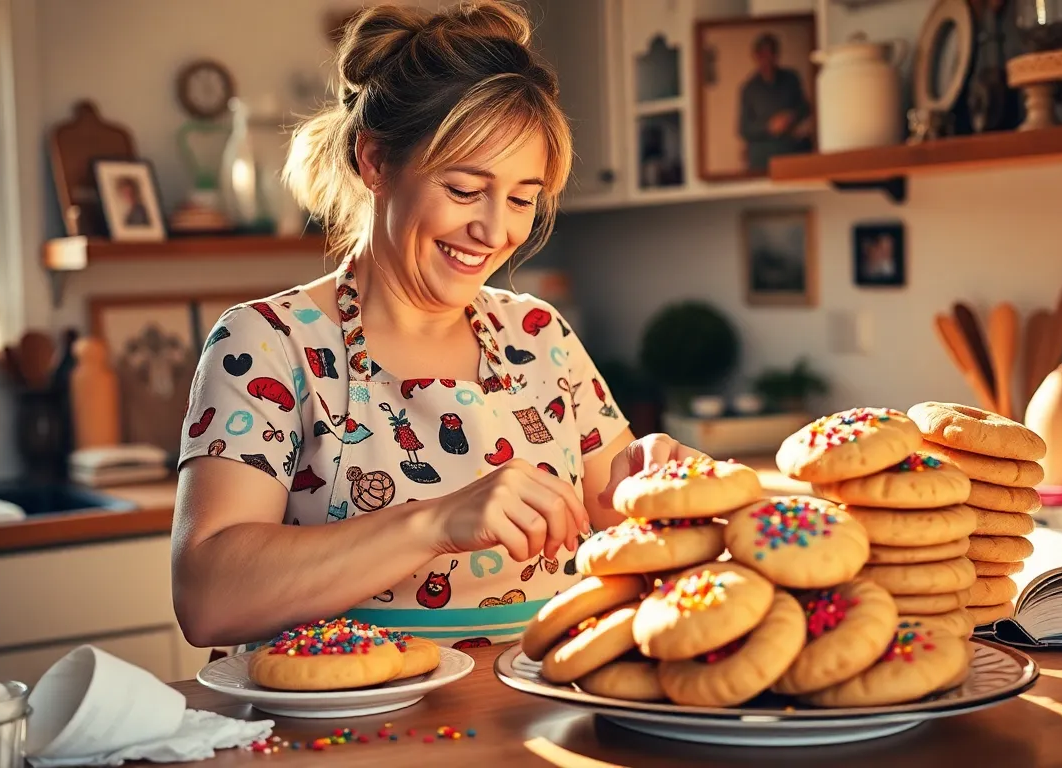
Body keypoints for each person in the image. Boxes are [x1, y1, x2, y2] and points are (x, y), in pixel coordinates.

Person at [170, 1, 705, 651]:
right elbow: (207, 598)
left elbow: (624, 531)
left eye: (520, 198)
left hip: (543, 721)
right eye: (462, 189)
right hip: (349, 740)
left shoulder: (539, 335)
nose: (493, 230)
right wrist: (437, 521)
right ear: (375, 162)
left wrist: (659, 487)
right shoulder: (267, 345)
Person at [737, 33, 813, 174]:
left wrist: (791, 116)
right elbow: (743, 128)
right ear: (756, 56)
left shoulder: (791, 78)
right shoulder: (748, 89)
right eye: (763, 54)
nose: (768, 59)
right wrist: (769, 126)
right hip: (763, 158)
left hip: (791, 151)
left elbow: (806, 107)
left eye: (772, 53)